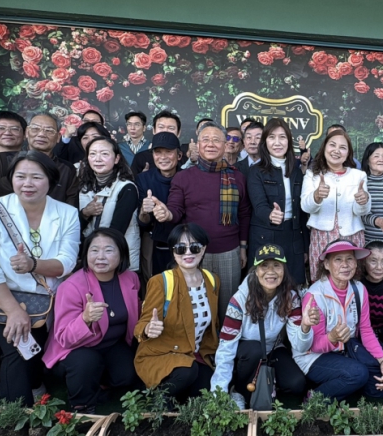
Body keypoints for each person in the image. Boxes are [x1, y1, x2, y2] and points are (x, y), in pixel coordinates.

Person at [0, 151, 79, 405]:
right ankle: (19, 414)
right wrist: (14, 311)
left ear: (51, 180)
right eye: (21, 176)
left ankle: (13, 386)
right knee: (18, 348)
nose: (27, 183)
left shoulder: (67, 213)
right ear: (11, 179)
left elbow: (66, 262)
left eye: (36, 177)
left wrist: (33, 264)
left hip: (42, 300)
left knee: (31, 353)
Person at [159, 121, 252, 320]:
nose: (210, 144)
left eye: (216, 140)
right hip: (193, 252)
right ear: (197, 144)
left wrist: (243, 247)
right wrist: (166, 214)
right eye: (205, 140)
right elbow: (175, 210)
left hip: (229, 251)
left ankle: (225, 348)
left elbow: (244, 213)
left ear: (226, 145)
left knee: (229, 308)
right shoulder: (184, 177)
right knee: (196, 308)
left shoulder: (238, 177)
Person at [43, 228, 140, 413]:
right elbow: (64, 337)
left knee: (128, 374)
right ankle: (82, 405)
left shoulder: (130, 278)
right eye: (94, 250)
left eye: (108, 250)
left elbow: (136, 312)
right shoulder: (71, 286)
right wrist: (85, 319)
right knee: (87, 362)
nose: (100, 257)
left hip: (111, 344)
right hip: (76, 348)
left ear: (122, 254)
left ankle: (101, 384)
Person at [211, 244, 310, 408]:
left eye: (276, 265)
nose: (270, 271)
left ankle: (268, 383)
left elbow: (299, 345)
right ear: (256, 271)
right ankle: (239, 391)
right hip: (246, 352)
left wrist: (305, 328)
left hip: (272, 348)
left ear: (284, 269)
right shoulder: (240, 300)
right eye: (264, 265)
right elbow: (226, 346)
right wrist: (218, 392)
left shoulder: (291, 298)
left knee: (297, 384)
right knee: (254, 350)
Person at [293, 240, 383, 400]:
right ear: (326, 264)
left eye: (350, 259)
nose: (345, 265)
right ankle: (315, 398)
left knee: (380, 389)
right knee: (358, 373)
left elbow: (366, 329)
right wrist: (332, 337)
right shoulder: (316, 295)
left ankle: (344, 382)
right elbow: (312, 345)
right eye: (338, 259)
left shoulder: (359, 288)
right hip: (313, 356)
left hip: (346, 349)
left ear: (356, 263)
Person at [134, 223, 220, 399]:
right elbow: (142, 324)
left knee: (203, 390)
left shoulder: (212, 280)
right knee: (187, 371)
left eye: (194, 247)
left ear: (203, 250)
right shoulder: (161, 281)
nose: (188, 253)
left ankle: (175, 396)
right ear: (173, 251)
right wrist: (148, 329)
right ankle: (158, 399)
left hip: (195, 355)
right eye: (181, 248)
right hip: (162, 353)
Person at [301, 130, 371, 277]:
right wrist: (317, 196)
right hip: (321, 236)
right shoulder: (312, 174)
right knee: (322, 278)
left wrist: (363, 200)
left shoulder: (358, 175)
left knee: (350, 277)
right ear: (324, 147)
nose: (336, 151)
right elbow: (305, 206)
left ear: (348, 153)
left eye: (342, 147)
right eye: (332, 145)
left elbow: (361, 211)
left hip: (351, 235)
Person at [247, 118, 307, 285]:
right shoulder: (256, 171)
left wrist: (305, 246)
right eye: (272, 137)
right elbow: (258, 206)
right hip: (265, 236)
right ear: (265, 142)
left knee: (292, 288)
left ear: (288, 140)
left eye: (282, 137)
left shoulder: (296, 170)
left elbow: (303, 213)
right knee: (265, 288)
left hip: (293, 236)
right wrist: (270, 214)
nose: (277, 142)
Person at [79, 137, 140, 272]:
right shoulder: (85, 187)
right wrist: (85, 213)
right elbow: (77, 228)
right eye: (93, 154)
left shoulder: (127, 188)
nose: (98, 159)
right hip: (92, 260)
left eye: (104, 154)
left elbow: (116, 232)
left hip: (120, 261)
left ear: (117, 158)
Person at [136, 133, 181, 277]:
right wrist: (144, 211)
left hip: (183, 243)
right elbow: (142, 223)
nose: (163, 157)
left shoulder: (188, 177)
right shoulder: (143, 179)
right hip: (154, 243)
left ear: (179, 155)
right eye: (158, 152)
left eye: (168, 152)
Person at [25, 114, 80, 208]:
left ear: (58, 137)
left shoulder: (67, 169)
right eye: (35, 128)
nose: (41, 134)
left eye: (49, 131)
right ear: (26, 132)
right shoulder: (12, 162)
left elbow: (71, 206)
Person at [130, 110, 189, 176]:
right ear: (154, 130)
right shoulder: (141, 158)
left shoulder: (186, 159)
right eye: (161, 127)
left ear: (178, 133)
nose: (165, 131)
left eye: (171, 128)